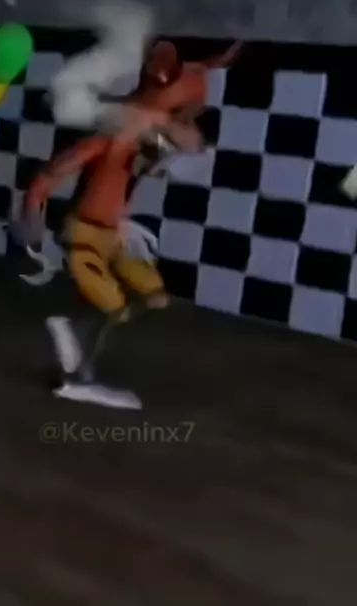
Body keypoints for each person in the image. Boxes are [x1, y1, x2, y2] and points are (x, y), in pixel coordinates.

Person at [21, 39, 242, 407]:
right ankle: (77, 372)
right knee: (112, 306)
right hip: (84, 237)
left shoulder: (146, 148)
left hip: (113, 238)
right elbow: (47, 178)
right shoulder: (107, 141)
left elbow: (182, 146)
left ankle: (77, 341)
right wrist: (32, 224)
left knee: (154, 297)